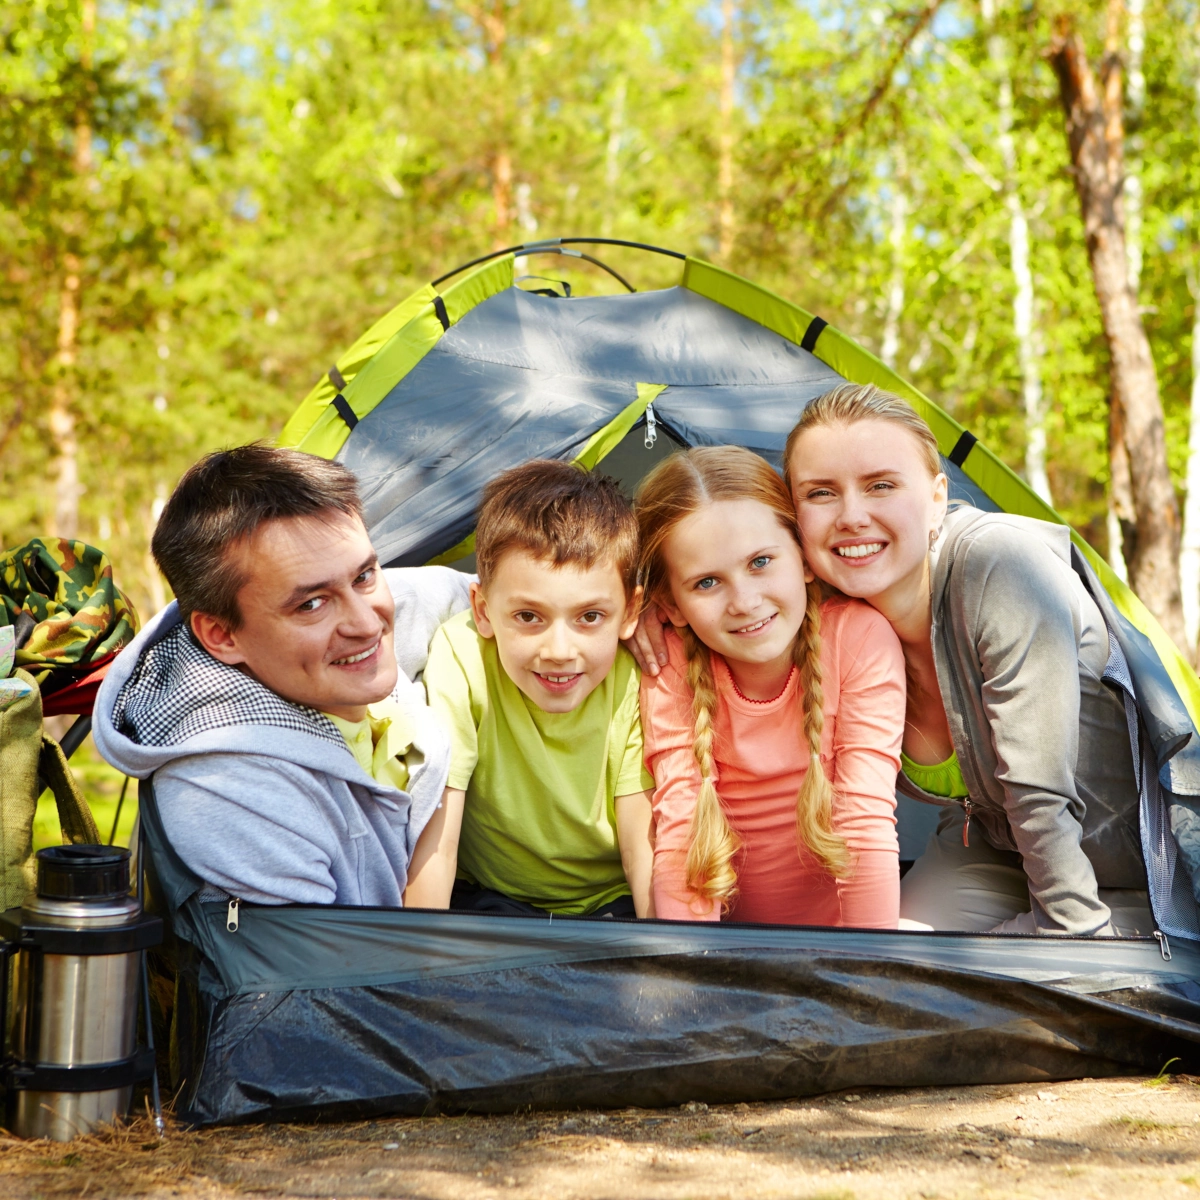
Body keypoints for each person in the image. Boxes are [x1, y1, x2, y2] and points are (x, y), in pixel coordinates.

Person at [782, 383, 1151, 936]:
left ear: (935, 497)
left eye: (881, 485)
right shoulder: (824, 617)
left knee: (953, 990)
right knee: (875, 960)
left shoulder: (996, 564)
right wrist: (649, 625)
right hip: (988, 849)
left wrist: (1068, 943)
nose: (852, 516)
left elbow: (1039, 795)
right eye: (820, 493)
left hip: (1126, 868)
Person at [94, 444, 470, 907]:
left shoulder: (378, 620)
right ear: (222, 635)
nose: (368, 624)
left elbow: (499, 594)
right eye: (311, 604)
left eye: (364, 576)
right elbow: (332, 974)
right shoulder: (234, 797)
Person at [635, 445, 906, 925]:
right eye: (706, 583)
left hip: (849, 942)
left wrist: (872, 976)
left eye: (760, 562)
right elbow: (681, 836)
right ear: (670, 605)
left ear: (804, 559)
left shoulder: (857, 638)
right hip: (730, 955)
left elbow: (864, 827)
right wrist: (691, 982)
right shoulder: (670, 661)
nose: (744, 601)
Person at [421, 459, 656, 918]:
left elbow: (642, 853)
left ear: (631, 613)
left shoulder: (636, 676)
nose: (559, 651)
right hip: (491, 896)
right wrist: (414, 972)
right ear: (484, 610)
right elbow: (436, 841)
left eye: (590, 617)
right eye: (529, 617)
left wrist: (664, 970)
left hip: (611, 901)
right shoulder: (462, 654)